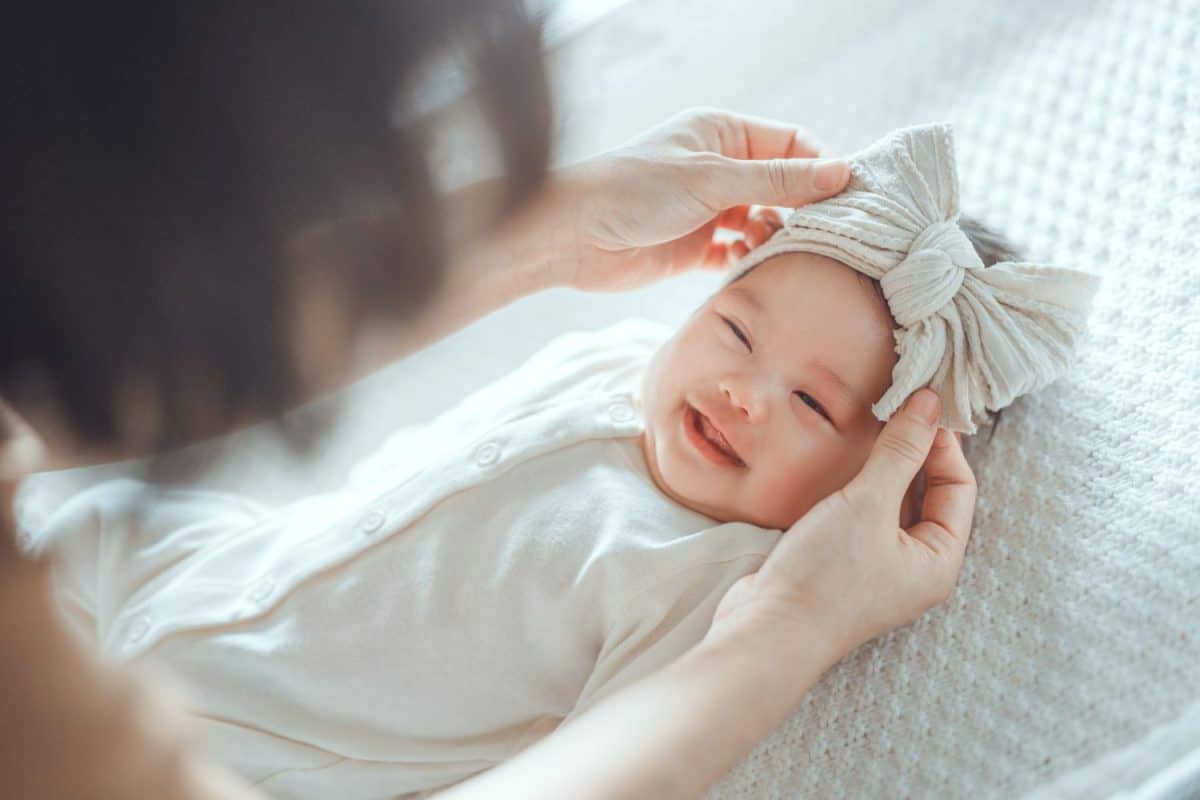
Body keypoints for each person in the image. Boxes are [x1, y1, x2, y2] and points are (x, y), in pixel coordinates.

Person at [1, 5, 979, 798]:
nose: (740, 385)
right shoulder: (621, 368)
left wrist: (555, 228)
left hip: (272, 742)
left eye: (813, 403)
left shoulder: (707, 578)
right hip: (184, 569)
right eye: (731, 329)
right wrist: (798, 624)